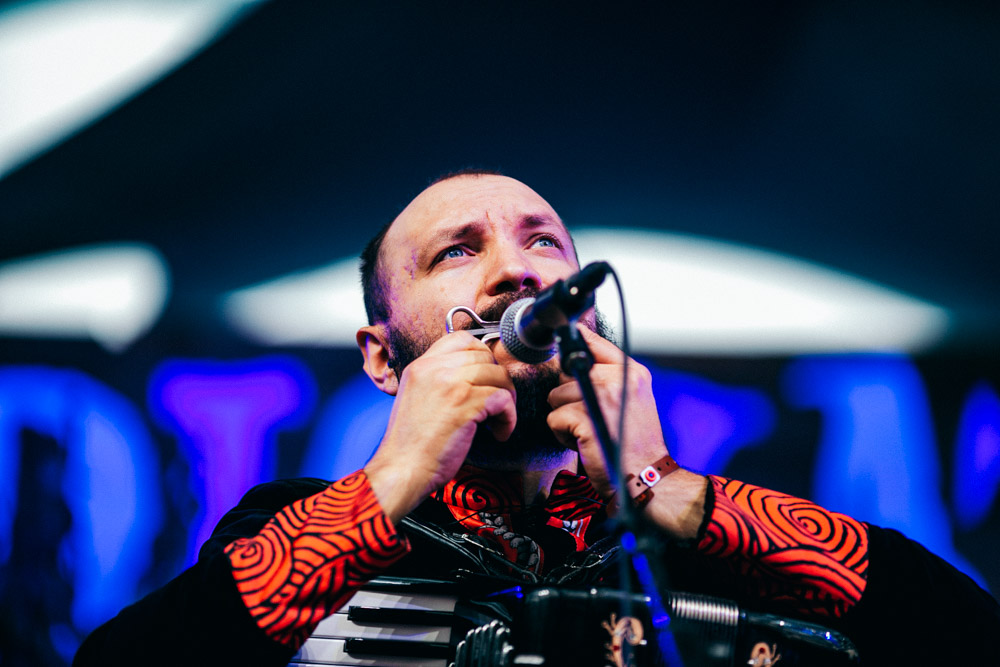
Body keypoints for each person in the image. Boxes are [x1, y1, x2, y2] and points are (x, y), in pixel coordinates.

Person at [75, 171, 1000, 665]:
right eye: (456, 251)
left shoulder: (706, 546)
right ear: (382, 357)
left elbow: (966, 637)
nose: (518, 270)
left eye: (543, 242)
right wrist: (388, 487)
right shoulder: (287, 524)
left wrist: (674, 492)